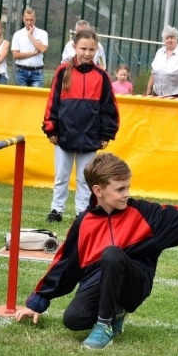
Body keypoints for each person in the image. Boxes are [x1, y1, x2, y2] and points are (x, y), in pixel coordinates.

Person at [14, 152, 178, 349]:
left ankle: (104, 325)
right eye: (120, 189)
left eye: (128, 187)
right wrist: (38, 302)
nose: (127, 193)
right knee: (73, 320)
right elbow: (65, 264)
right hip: (99, 280)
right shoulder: (84, 223)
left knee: (112, 253)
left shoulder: (144, 213)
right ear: (98, 191)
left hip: (135, 283)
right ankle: (115, 313)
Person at [43, 29, 119, 223]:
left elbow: (109, 106)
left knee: (85, 178)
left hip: (90, 135)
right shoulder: (62, 71)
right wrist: (51, 127)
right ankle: (56, 209)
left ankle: (82, 212)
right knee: (61, 175)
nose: (87, 53)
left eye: (92, 49)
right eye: (83, 48)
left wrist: (106, 133)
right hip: (64, 135)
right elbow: (53, 100)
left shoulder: (101, 76)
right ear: (74, 47)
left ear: (97, 50)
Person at [145, 25, 178, 98]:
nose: (169, 40)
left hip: (176, 94)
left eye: (172, 38)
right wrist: (149, 88)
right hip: (157, 94)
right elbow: (154, 72)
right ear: (164, 40)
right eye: (167, 38)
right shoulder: (159, 52)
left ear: (177, 39)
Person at [11, 8, 48, 87]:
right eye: (27, 20)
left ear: (35, 19)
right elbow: (16, 55)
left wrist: (30, 36)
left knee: (35, 98)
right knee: (21, 98)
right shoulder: (17, 34)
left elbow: (43, 49)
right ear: (23, 19)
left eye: (31, 20)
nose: (29, 22)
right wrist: (34, 52)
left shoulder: (43, 33)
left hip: (37, 72)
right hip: (21, 72)